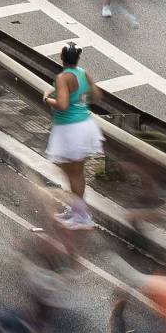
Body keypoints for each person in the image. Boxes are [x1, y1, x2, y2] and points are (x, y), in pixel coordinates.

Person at [44, 44, 102, 230]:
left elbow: (61, 104)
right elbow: (97, 96)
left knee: (73, 173)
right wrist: (80, 102)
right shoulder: (83, 73)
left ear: (62, 58)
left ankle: (82, 216)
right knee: (74, 171)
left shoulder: (63, 77)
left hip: (70, 129)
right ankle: (77, 210)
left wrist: (46, 97)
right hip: (85, 125)